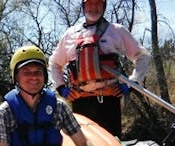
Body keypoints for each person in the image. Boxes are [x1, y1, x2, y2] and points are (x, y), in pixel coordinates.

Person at [0, 45, 125, 146]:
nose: (33, 77)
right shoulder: (4, 111)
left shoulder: (58, 106)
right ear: (16, 77)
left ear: (45, 76)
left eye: (38, 72)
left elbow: (82, 142)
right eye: (26, 72)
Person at [49, 0, 151, 138]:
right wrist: (61, 88)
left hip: (109, 102)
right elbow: (54, 63)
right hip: (80, 103)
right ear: (84, 6)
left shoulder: (116, 31)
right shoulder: (70, 34)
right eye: (90, 3)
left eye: (98, 3)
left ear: (104, 6)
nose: (94, 7)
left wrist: (131, 84)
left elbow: (142, 56)